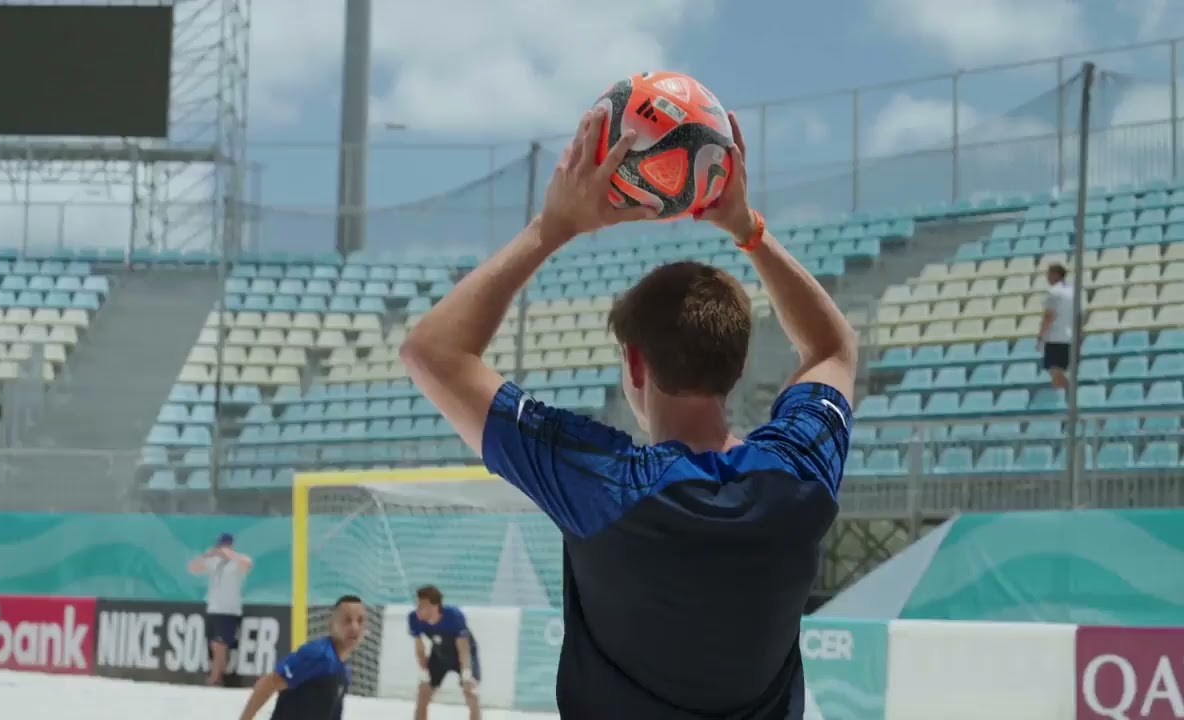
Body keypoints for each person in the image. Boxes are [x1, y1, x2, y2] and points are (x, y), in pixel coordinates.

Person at [400, 106, 856, 718]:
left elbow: (431, 352)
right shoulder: (796, 476)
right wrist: (747, 229)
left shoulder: (603, 482)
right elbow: (832, 349)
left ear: (636, 367)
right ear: (737, 366)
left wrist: (553, 227)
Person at [237, 594, 368, 720]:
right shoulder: (318, 654)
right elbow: (269, 683)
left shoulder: (343, 670)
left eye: (360, 620)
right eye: (347, 620)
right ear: (332, 623)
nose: (355, 627)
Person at [187, 532, 254, 686]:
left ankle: (215, 677)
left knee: (220, 644)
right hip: (214, 608)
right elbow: (193, 568)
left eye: (224, 545)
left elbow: (247, 564)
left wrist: (229, 554)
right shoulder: (214, 562)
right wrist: (207, 555)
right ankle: (218, 674)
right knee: (214, 645)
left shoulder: (237, 561)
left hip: (229, 609)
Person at [408, 585, 480, 720]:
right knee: (423, 692)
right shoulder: (414, 618)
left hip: (464, 655)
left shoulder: (453, 616)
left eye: (422, 606)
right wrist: (424, 674)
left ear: (434, 606)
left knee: (471, 692)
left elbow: (463, 648)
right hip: (439, 655)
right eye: (417, 604)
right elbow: (420, 648)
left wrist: (466, 675)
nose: (418, 609)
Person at [1038, 262, 1075, 390]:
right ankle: (1069, 397)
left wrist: (1041, 335)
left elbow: (1049, 316)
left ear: (1054, 275)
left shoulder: (1054, 292)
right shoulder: (1073, 291)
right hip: (1069, 336)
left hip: (1055, 337)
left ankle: (1071, 393)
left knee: (1056, 372)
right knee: (1058, 373)